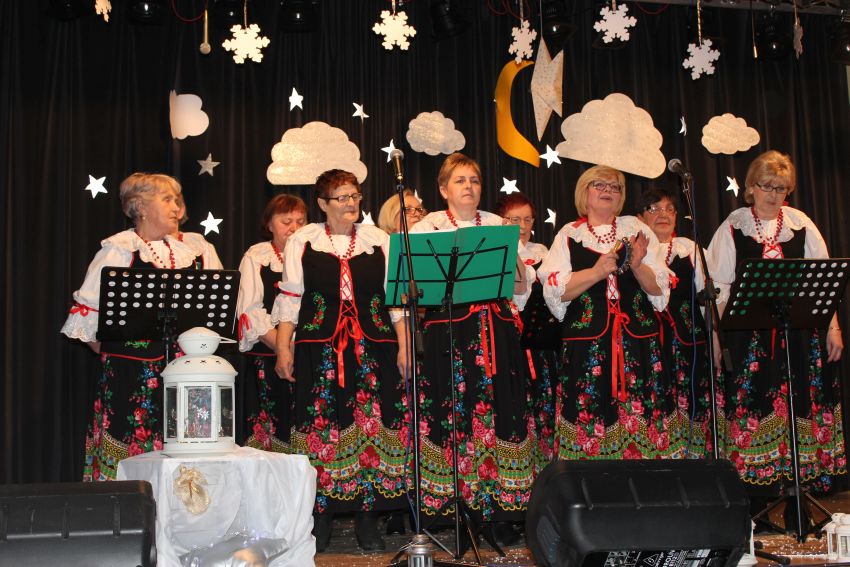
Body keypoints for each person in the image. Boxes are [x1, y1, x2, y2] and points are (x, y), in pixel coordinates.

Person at [272, 170, 409, 552]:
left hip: (373, 347)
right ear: (322, 203)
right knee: (322, 428)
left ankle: (368, 516)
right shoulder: (303, 241)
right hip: (320, 348)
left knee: (370, 427)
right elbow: (290, 300)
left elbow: (396, 302)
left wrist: (404, 347)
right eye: (342, 197)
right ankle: (321, 516)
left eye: (355, 196)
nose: (351, 203)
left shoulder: (379, 241)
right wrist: (283, 348)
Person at [61, 173, 222, 481]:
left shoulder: (194, 250)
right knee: (127, 446)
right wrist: (119, 354)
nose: (176, 207)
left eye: (176, 200)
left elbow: (214, 312)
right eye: (166, 199)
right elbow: (86, 315)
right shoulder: (120, 250)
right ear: (141, 208)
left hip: (185, 372)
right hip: (130, 374)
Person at [410, 152, 535, 545]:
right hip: (448, 334)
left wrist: (513, 254)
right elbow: (414, 288)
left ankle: (499, 510)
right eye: (460, 180)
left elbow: (519, 287)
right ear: (443, 189)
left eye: (475, 180)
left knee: (501, 412)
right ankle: (454, 510)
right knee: (453, 413)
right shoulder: (427, 227)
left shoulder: (498, 224)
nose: (469, 187)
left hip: (495, 332)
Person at [706, 150, 844, 496]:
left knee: (801, 403)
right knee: (754, 405)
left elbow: (823, 279)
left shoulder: (800, 223)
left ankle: (800, 491)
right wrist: (718, 338)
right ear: (751, 187)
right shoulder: (733, 226)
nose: (773, 194)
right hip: (747, 338)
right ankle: (755, 494)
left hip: (797, 334)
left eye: (781, 188)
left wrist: (833, 328)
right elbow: (718, 287)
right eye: (766, 186)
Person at [536, 164, 680, 461]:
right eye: (599, 185)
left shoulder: (637, 230)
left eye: (615, 187)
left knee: (641, 417)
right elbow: (556, 292)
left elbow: (659, 290)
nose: (608, 191)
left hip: (637, 343)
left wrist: (637, 265)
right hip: (587, 345)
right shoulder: (570, 234)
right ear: (584, 192)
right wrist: (596, 272)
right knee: (590, 414)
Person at [636, 187, 712, 458]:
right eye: (654, 209)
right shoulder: (635, 252)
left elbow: (708, 298)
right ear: (640, 217)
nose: (663, 215)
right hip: (647, 343)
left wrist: (714, 338)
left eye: (669, 209)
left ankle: (696, 463)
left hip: (689, 342)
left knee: (693, 403)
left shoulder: (689, 249)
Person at [236, 194, 307, 450]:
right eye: (286, 221)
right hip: (267, 357)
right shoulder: (257, 256)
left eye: (300, 221)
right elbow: (250, 310)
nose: (294, 228)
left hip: (307, 355)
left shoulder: (313, 254)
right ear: (269, 224)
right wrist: (284, 347)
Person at [496, 192, 558, 471]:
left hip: (540, 340)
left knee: (545, 401)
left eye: (527, 219)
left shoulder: (543, 251)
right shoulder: (497, 250)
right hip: (509, 339)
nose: (521, 225)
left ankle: (548, 469)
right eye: (514, 219)